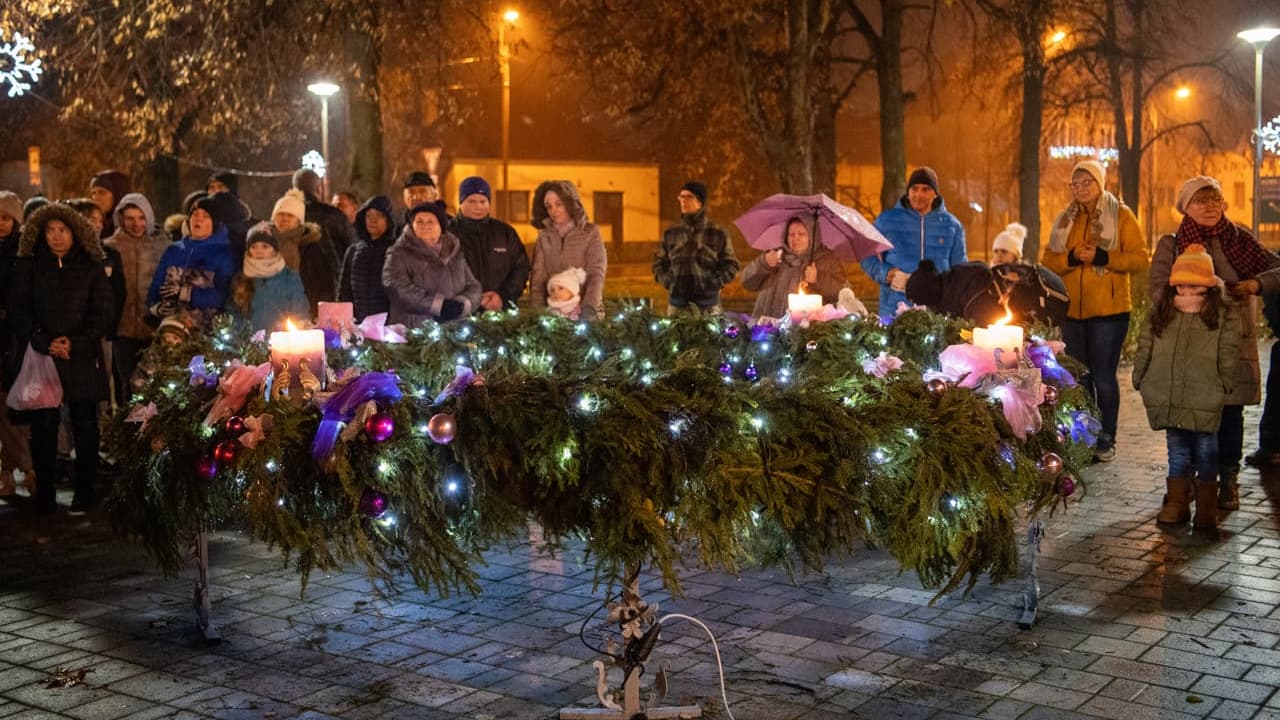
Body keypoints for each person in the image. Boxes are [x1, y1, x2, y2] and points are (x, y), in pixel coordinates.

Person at [1149, 176, 1280, 510]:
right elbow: (1158, 289)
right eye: (1200, 201)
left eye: (1214, 200)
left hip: (1233, 338)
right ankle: (1188, 482)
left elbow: (1277, 268)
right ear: (1186, 207)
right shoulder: (1173, 243)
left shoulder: (1241, 240)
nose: (1208, 207)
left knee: (1231, 412)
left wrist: (1255, 284)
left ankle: (1227, 481)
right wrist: (1198, 294)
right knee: (1190, 416)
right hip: (1191, 341)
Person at [6, 203, 114, 514]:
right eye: (50, 230)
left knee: (85, 424)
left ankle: (85, 491)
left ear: (75, 232)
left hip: (82, 356)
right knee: (43, 427)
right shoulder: (29, 266)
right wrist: (44, 341)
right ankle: (46, 493)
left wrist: (77, 342)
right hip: (44, 356)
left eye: (62, 230)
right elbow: (19, 310)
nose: (56, 237)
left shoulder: (91, 265)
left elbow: (104, 311)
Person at [1042, 160, 1146, 463]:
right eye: (1075, 184)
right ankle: (1084, 437)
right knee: (1080, 378)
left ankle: (1106, 438)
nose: (1081, 189)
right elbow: (1049, 261)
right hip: (1073, 311)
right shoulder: (1066, 220)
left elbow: (1139, 259)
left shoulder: (1122, 216)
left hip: (1109, 312)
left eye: (1087, 182)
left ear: (1100, 183)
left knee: (1102, 376)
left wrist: (1102, 255)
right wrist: (1072, 257)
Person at [1133, 244, 1240, 533]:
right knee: (1177, 450)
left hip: (1205, 391)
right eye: (1181, 283)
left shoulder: (1221, 314)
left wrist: (1224, 380)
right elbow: (1146, 344)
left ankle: (1206, 509)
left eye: (1194, 284)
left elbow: (1228, 351)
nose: (1186, 289)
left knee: (1207, 450)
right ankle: (1177, 504)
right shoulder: (1163, 311)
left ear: (1207, 285)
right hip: (1167, 391)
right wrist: (1140, 373)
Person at [861, 166, 967, 316]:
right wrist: (886, 273)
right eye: (914, 188)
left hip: (937, 311)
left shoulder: (952, 225)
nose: (919, 195)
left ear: (935, 194)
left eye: (926, 189)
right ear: (908, 191)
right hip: (894, 309)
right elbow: (866, 254)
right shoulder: (887, 220)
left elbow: (960, 270)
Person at [103, 193, 167, 407]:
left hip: (155, 328)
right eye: (130, 218)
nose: (136, 224)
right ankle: (126, 434)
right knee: (126, 384)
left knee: (155, 385)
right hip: (123, 330)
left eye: (141, 217)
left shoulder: (162, 245)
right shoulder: (110, 247)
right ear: (120, 218)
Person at [383, 202, 481, 327]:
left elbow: (473, 285)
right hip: (414, 329)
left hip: (453, 330)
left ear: (441, 226)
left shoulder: (454, 252)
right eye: (419, 222)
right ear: (412, 225)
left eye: (430, 222)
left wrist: (463, 304)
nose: (425, 226)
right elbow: (397, 287)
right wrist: (438, 305)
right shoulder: (398, 252)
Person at [147, 195, 235, 328]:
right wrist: (156, 307)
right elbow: (156, 286)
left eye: (205, 216)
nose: (198, 219)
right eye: (195, 214)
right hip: (171, 329)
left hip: (206, 331)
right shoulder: (174, 250)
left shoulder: (224, 254)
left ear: (215, 223)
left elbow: (223, 295)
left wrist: (187, 294)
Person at [653, 181, 739, 315]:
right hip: (678, 305)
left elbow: (731, 265)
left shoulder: (717, 233)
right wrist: (669, 281)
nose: (683, 201)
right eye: (681, 197)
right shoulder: (671, 233)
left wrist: (713, 283)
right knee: (676, 337)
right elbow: (658, 263)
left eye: (689, 197)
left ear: (700, 201)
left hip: (708, 306)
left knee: (708, 336)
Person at [449, 176, 530, 312]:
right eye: (472, 201)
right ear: (461, 202)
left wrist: (502, 296)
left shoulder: (505, 233)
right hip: (459, 314)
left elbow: (520, 268)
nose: (478, 206)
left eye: (483, 201)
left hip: (500, 313)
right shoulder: (447, 233)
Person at [740, 216, 846, 319]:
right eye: (791, 234)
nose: (796, 238)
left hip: (807, 331)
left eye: (801, 234)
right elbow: (747, 282)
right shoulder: (775, 256)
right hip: (767, 328)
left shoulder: (827, 259)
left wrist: (818, 279)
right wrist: (763, 264)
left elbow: (843, 293)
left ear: (812, 236)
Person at [529, 180, 607, 320]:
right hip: (554, 314)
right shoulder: (544, 237)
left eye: (559, 204)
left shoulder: (590, 233)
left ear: (570, 203)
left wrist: (588, 310)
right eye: (549, 206)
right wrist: (539, 314)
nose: (554, 210)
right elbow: (537, 280)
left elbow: (596, 274)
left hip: (585, 313)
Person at [0, 190, 35, 496]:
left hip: (15, 337)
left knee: (15, 405)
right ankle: (11, 468)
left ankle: (22, 467)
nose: (1, 223)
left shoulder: (24, 255)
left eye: (6, 217)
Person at [227, 222, 310, 331]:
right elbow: (233, 311)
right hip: (249, 343)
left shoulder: (289, 277)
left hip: (283, 341)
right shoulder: (241, 279)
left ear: (274, 250)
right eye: (253, 247)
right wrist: (243, 333)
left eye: (265, 247)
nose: (259, 251)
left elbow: (300, 310)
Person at [269, 189, 332, 312]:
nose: (284, 219)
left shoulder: (311, 246)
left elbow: (322, 285)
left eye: (290, 215)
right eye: (281, 214)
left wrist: (316, 312)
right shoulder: (263, 243)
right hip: (271, 309)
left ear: (299, 221)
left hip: (303, 310)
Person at [339, 196, 397, 322]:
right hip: (358, 324)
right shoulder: (354, 250)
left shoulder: (396, 250)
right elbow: (344, 291)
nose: (373, 220)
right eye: (369, 216)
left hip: (388, 325)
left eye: (379, 216)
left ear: (388, 220)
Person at [292, 169, 349, 290]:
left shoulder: (289, 216)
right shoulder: (334, 215)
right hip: (331, 283)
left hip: (296, 285)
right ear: (318, 188)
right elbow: (351, 248)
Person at [88, 170, 132, 239]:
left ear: (117, 194)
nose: (95, 198)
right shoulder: (91, 226)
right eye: (93, 193)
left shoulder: (133, 227)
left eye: (102, 192)